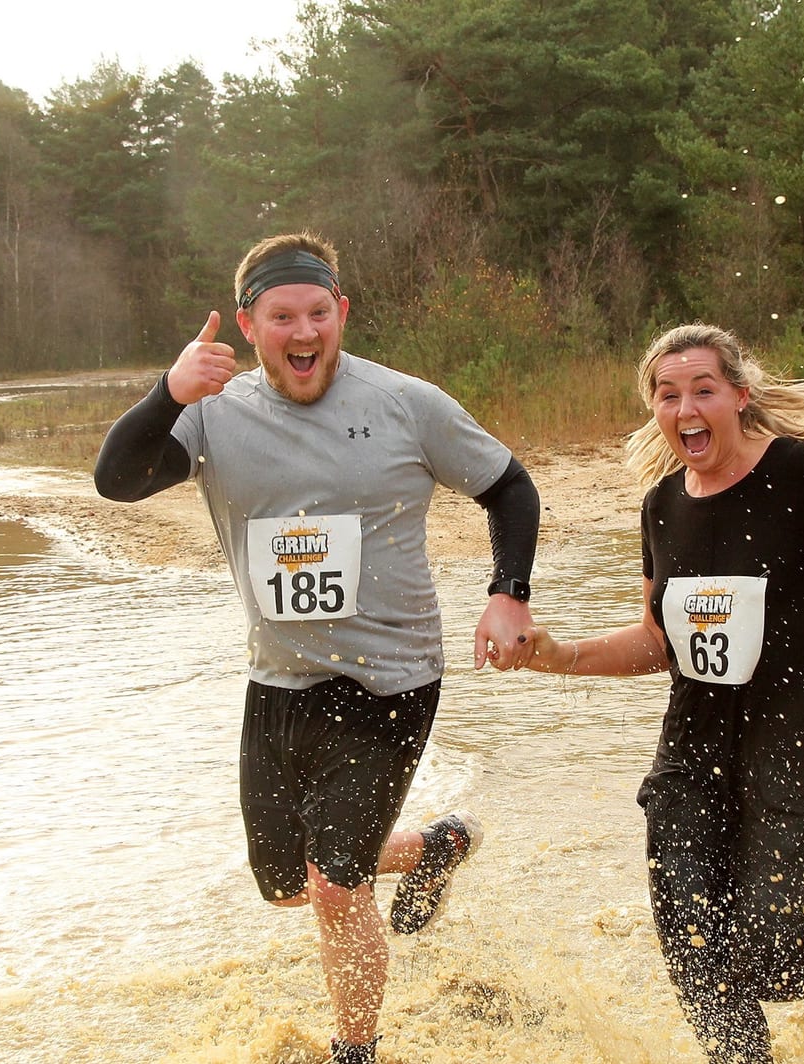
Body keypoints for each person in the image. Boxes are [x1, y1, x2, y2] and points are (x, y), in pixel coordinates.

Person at [93, 232, 540, 1064]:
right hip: (279, 678)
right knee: (287, 884)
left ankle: (356, 1051)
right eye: (281, 316)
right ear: (247, 326)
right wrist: (165, 393)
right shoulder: (211, 413)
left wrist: (507, 591)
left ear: (342, 314)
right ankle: (433, 847)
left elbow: (509, 486)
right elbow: (116, 481)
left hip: (392, 680)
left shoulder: (408, 402)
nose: (303, 332)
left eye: (317, 312)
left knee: (337, 885)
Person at [524, 323, 804, 1063]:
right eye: (669, 395)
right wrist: (556, 654)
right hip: (694, 757)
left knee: (775, 965)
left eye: (703, 389)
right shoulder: (663, 504)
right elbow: (659, 643)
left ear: (739, 396)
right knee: (696, 955)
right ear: (655, 410)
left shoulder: (802, 473)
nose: (686, 406)